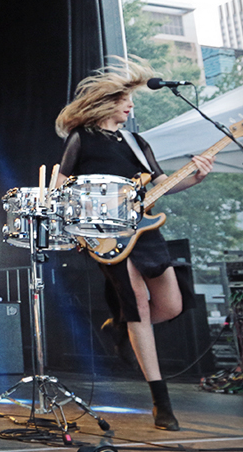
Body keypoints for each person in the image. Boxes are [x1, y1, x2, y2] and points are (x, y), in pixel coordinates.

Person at [52, 57, 214, 431]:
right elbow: (61, 187)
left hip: (146, 231)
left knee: (171, 306)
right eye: (126, 100)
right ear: (107, 102)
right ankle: (161, 400)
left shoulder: (137, 143)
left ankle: (119, 326)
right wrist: (80, 227)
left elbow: (161, 185)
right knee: (139, 303)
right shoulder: (83, 139)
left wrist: (196, 176)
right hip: (109, 235)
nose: (131, 105)